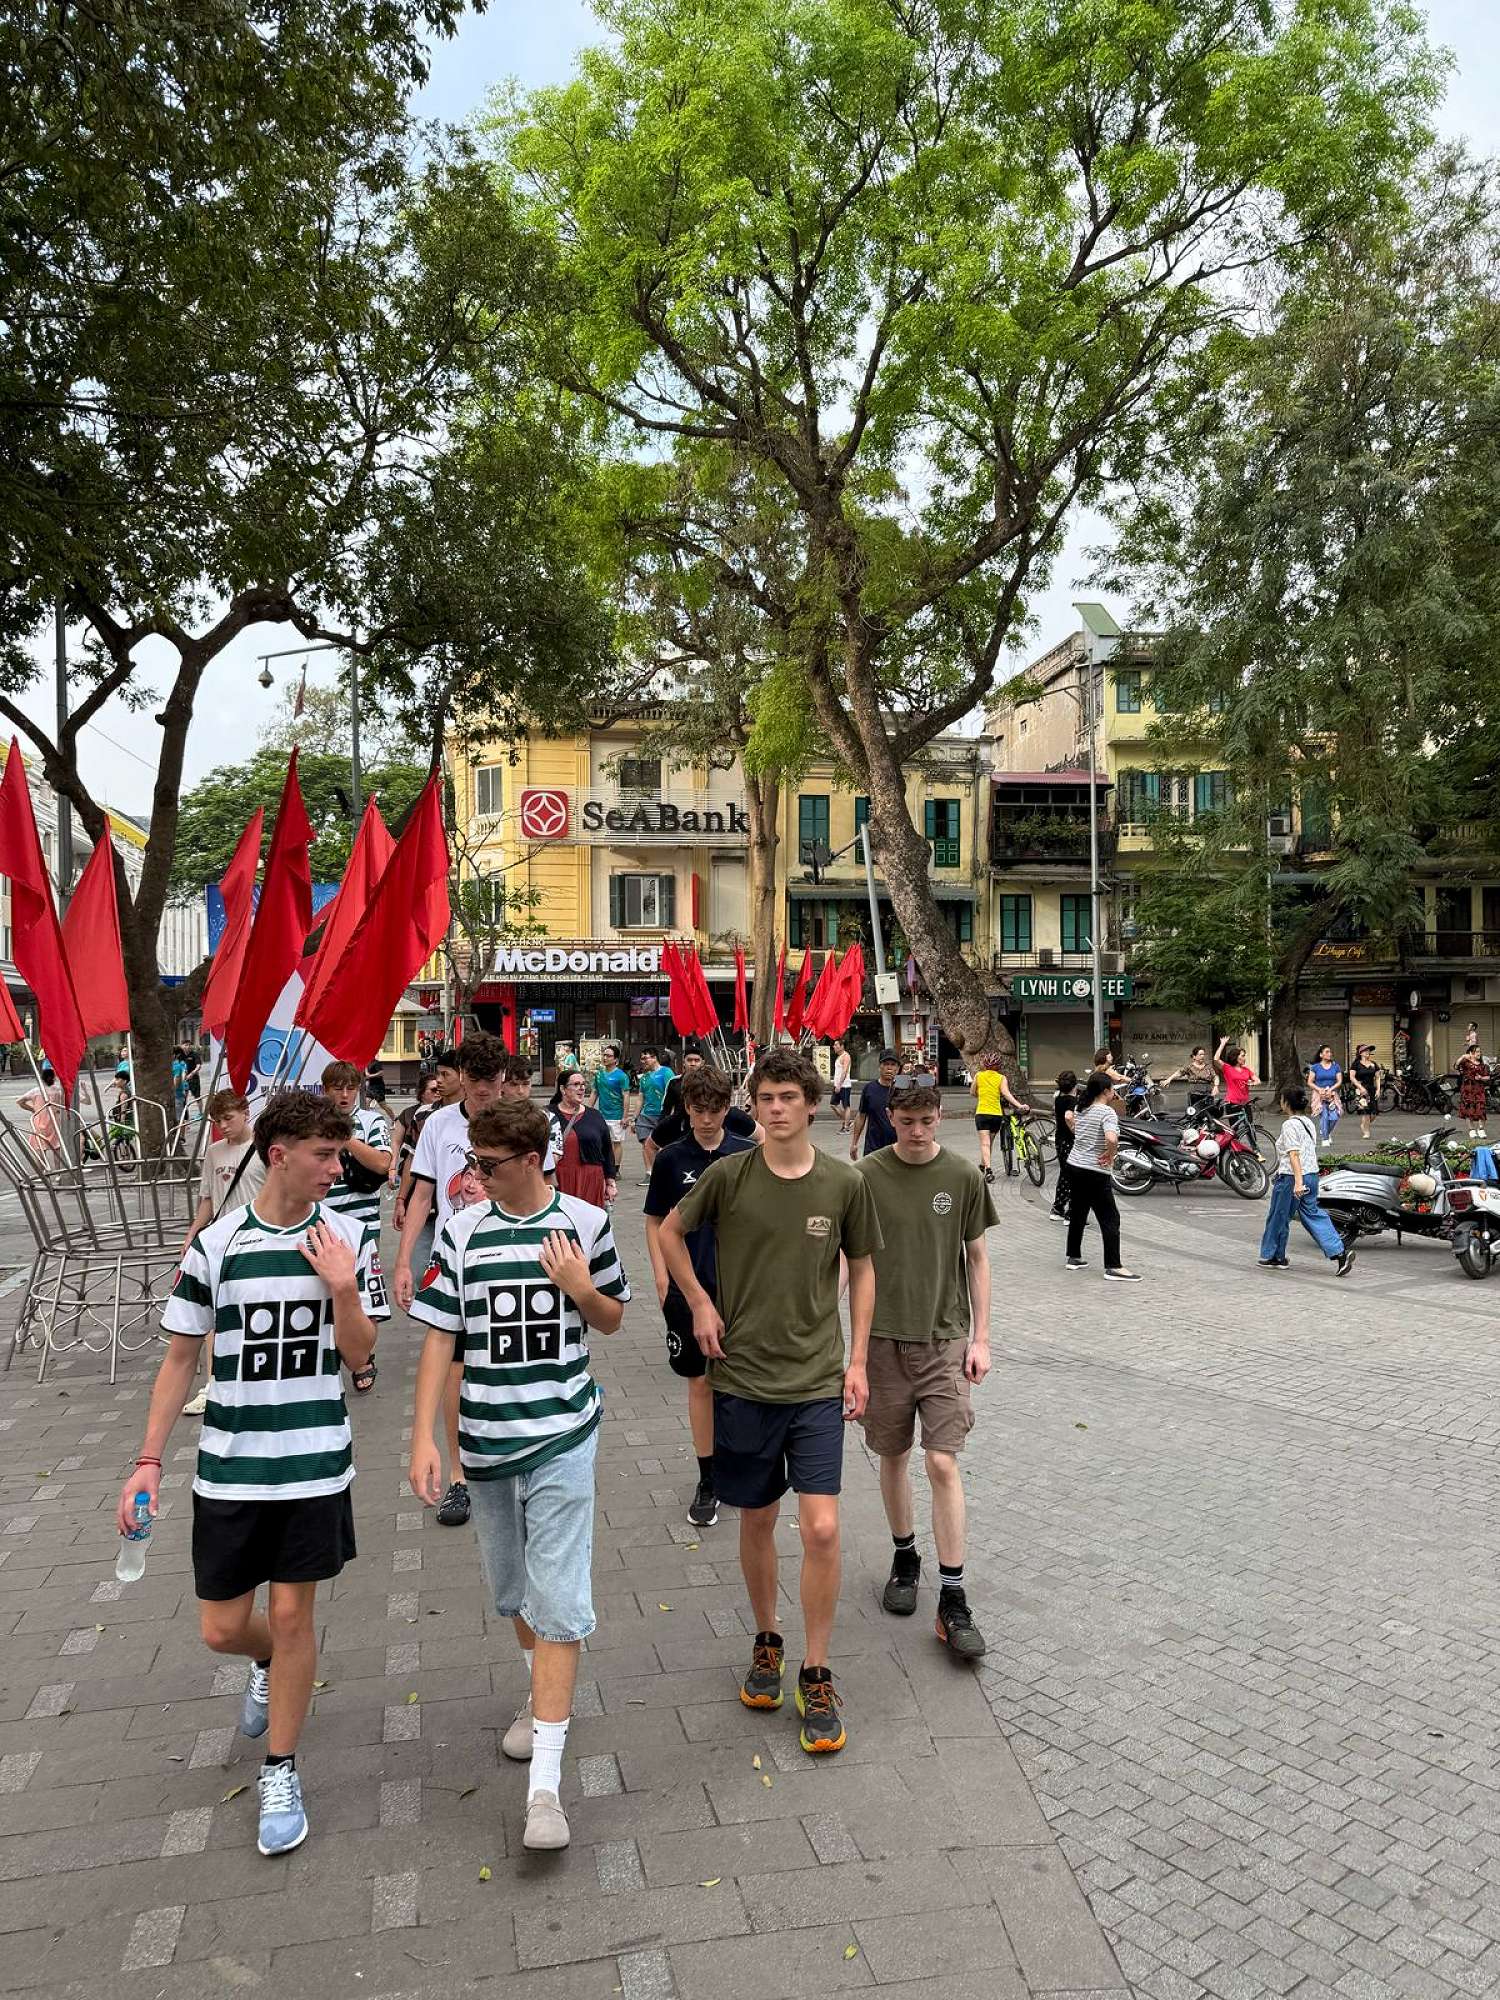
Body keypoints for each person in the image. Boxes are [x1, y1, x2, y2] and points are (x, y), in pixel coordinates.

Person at [115, 1091, 387, 1858]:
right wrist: (146, 1462)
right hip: (230, 1468)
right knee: (222, 1628)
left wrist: (343, 1286)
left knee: (296, 1616)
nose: (336, 1169)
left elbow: (360, 1353)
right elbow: (178, 1360)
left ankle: (281, 1769)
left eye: (339, 1154)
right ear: (279, 1155)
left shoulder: (342, 1236)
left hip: (313, 1463)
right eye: (324, 1155)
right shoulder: (218, 1244)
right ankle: (263, 1660)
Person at [408, 1098, 628, 1852]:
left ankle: (546, 1789)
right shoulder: (462, 1231)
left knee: (558, 1597)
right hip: (486, 1441)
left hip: (565, 1432)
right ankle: (542, 1696)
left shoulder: (585, 1223)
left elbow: (611, 1317)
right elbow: (441, 1337)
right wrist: (425, 1438)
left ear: (532, 1161)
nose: (475, 1176)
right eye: (474, 1161)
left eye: (489, 1164)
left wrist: (579, 1286)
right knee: (514, 1590)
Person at [660, 1047, 881, 1756]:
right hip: (743, 1380)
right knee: (757, 1518)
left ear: (813, 1104)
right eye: (765, 1098)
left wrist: (857, 1360)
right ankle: (767, 1640)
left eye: (788, 1096)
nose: (777, 1108)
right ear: (753, 1106)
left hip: (816, 1382)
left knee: (822, 1529)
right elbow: (669, 1231)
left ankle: (816, 1670)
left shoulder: (844, 1183)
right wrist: (698, 1302)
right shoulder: (728, 1177)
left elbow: (864, 1269)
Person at [857, 1085, 997, 1659]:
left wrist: (981, 1338)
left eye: (926, 1121)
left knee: (942, 1460)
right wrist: (843, 1349)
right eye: (907, 1121)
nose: (917, 1131)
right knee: (892, 1455)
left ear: (941, 1117)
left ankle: (954, 1594)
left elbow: (978, 1258)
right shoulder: (866, 1176)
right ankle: (904, 1555)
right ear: (890, 1117)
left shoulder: (962, 1175)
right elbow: (849, 1262)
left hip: (945, 1339)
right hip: (882, 1340)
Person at [396, 1033, 511, 1528]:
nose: (483, 1090)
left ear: (504, 1078)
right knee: (455, 1369)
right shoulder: (439, 1125)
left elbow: (547, 1189)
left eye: (492, 1080)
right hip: (455, 1264)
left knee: (508, 1363)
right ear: (461, 1076)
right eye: (475, 1080)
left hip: (510, 1261)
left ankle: (513, 1463)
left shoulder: (521, 1123)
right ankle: (460, 1476)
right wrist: (404, 1262)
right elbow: (422, 1196)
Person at [643, 1066, 757, 1529]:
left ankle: (741, 1463)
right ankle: (707, 1476)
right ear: (686, 1109)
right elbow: (655, 1220)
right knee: (700, 1382)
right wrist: (661, 1277)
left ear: (729, 1108)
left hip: (742, 1290)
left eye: (715, 1110)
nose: (707, 1120)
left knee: (744, 1384)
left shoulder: (747, 1154)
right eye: (698, 1110)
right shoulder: (672, 1159)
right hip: (689, 1287)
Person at [180, 1088, 268, 1417]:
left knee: (257, 1310)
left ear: (245, 1113)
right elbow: (208, 1198)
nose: (224, 1126)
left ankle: (256, 1379)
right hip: (222, 1241)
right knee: (215, 1314)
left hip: (258, 1239)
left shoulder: (264, 1149)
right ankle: (213, 1383)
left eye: (228, 1118)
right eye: (218, 1121)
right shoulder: (214, 1152)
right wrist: (193, 1233)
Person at [320, 1061, 393, 1392]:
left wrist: (346, 1138)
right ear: (326, 1090)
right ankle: (330, 1354)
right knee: (325, 1294)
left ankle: (363, 1357)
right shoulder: (313, 1124)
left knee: (364, 1295)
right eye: (338, 1088)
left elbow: (382, 1162)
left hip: (362, 1226)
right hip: (322, 1224)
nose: (345, 1094)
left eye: (351, 1088)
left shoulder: (371, 1121)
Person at [1258, 1083, 1357, 1276]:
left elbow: (1294, 1154)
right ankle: (1340, 1253)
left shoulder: (1289, 1125)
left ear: (1286, 1103)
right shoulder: (1308, 1122)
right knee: (1313, 1214)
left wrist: (1297, 1183)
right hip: (1312, 1175)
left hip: (1292, 1178)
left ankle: (1274, 1256)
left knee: (1278, 1216)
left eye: (1282, 1099)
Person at [1064, 1072, 1140, 1281]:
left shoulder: (1081, 1107)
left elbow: (1070, 1120)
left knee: (1078, 1211)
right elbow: (1111, 1138)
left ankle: (1073, 1256)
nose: (1114, 1092)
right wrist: (1111, 1153)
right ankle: (1114, 1266)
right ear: (1106, 1091)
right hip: (1094, 1170)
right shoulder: (1107, 1112)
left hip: (1074, 1165)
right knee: (1110, 1218)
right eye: (1113, 1089)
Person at [549, 1068, 618, 1206]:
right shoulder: (548, 1114)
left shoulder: (594, 1115)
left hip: (591, 1179)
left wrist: (610, 1181)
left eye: (583, 1084)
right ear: (563, 1089)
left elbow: (607, 1150)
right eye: (576, 1084)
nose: (581, 1088)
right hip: (560, 1179)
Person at [969, 1063, 1031, 1182]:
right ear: (998, 1067)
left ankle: (988, 1171)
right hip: (996, 1115)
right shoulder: (1001, 1078)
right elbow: (1006, 1094)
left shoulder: (978, 1076)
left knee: (985, 1144)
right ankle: (982, 1165)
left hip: (982, 1113)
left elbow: (972, 1092)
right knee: (989, 1143)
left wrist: (981, 1094)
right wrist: (1019, 1105)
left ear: (985, 1065)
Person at [848, 1050, 900, 1160]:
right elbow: (861, 1116)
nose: (889, 1068)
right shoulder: (869, 1089)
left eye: (893, 1065)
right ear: (880, 1067)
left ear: (898, 1068)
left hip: (898, 1148)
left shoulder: (902, 1091)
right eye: (886, 1064)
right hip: (873, 1148)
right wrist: (854, 1143)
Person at [590, 1044, 632, 1172]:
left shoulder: (621, 1076)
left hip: (617, 1116)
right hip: (601, 1115)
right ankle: (604, 1166)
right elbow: (594, 1092)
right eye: (604, 1055)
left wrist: (625, 1116)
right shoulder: (599, 1075)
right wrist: (588, 1110)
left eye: (608, 1056)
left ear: (616, 1060)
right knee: (602, 1142)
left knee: (616, 1142)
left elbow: (626, 1096)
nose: (605, 1058)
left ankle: (615, 1169)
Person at [19, 1063, 65, 1169]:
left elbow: (20, 1101)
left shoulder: (36, 1091)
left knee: (40, 1149)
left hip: (39, 1121)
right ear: (54, 1078)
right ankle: (58, 1173)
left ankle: (43, 1172)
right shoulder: (57, 1090)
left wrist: (33, 1109)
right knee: (56, 1148)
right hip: (54, 1122)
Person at [1216, 1036, 1258, 1145]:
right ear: (1236, 1057)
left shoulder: (1246, 1070)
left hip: (1245, 1103)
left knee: (1250, 1127)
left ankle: (1255, 1150)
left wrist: (1253, 1082)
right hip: (1232, 1103)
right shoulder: (1227, 1068)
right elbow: (1216, 1059)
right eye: (1243, 1056)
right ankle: (1234, 1149)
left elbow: (1257, 1080)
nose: (1244, 1058)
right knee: (1234, 1129)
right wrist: (1222, 1044)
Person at [634, 1046, 675, 1155]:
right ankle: (650, 1166)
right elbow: (640, 1098)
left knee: (662, 1148)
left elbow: (673, 1093)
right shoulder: (644, 1078)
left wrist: (671, 1115)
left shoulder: (666, 1072)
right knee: (646, 1146)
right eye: (641, 1059)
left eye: (645, 1058)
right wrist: (634, 1118)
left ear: (654, 1058)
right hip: (645, 1117)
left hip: (662, 1116)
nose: (642, 1061)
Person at [1050, 1069, 1078, 1222]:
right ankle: (1072, 1213)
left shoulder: (1058, 1098)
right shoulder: (1072, 1101)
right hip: (1070, 1141)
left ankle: (1058, 1208)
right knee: (1075, 1176)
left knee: (1065, 1174)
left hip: (1060, 1139)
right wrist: (1076, 1131)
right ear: (1074, 1085)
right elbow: (1068, 1116)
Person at [1304, 1044, 1342, 1149]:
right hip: (1319, 1095)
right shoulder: (1315, 1067)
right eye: (1327, 1052)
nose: (1330, 1054)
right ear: (1321, 1055)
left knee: (1334, 1117)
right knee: (1324, 1115)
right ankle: (1325, 1138)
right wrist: (1319, 1089)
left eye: (1330, 1052)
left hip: (1332, 1095)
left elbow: (1339, 1081)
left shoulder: (1336, 1066)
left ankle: (1326, 1131)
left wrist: (1331, 1089)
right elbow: (1310, 1082)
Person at [1456, 1041, 1490, 1140]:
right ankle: (1471, 1130)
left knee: (1481, 1109)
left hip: (1479, 1090)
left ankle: (1481, 1129)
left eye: (1479, 1051)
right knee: (1468, 1110)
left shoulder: (1483, 1065)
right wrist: (1463, 1056)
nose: (1479, 1053)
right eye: (1476, 1052)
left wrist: (1481, 1078)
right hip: (1467, 1090)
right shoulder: (1465, 1063)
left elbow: (1488, 1077)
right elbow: (1456, 1065)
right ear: (1471, 1053)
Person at [1349, 1043, 1383, 1142]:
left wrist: (1378, 1089)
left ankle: (1364, 1124)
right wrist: (1360, 1087)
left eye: (1369, 1051)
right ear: (1360, 1053)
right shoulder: (1356, 1064)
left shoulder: (1373, 1064)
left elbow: (1377, 1077)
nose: (1368, 1052)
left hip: (1371, 1089)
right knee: (1366, 1111)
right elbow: (1352, 1077)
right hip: (1361, 1090)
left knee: (1374, 1113)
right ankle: (1366, 1131)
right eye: (1365, 1051)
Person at [1163, 1046, 1215, 1111]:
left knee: (1209, 1112)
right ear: (1194, 1056)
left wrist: (1216, 1086)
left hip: (1207, 1093)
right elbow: (1179, 1073)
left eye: (1203, 1054)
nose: (1202, 1056)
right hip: (1195, 1094)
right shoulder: (1190, 1067)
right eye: (1200, 1054)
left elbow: (1215, 1076)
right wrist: (1169, 1079)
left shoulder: (1208, 1067)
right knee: (1195, 1113)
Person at [830, 1040, 853, 1133]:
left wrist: (839, 1085)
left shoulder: (846, 1056)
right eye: (834, 1045)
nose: (834, 1046)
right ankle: (847, 1121)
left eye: (836, 1045)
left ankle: (846, 1128)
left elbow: (844, 1071)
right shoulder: (839, 1057)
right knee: (833, 1104)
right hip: (837, 1085)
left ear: (842, 1046)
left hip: (844, 1085)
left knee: (846, 1106)